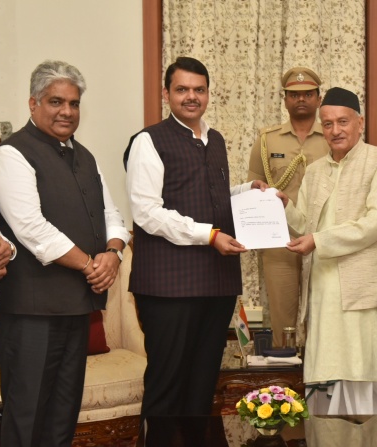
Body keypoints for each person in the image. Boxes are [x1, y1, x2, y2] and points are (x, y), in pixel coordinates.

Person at [0, 60, 130, 446]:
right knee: (27, 415)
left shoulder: (86, 156)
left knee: (62, 416)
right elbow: (32, 229)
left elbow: (112, 215)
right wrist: (90, 264)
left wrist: (114, 254)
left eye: (74, 103)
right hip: (30, 313)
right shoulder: (11, 154)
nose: (66, 111)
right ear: (33, 104)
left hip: (77, 308)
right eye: (56, 102)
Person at [125, 56, 267, 422]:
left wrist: (250, 191)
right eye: (182, 89)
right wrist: (210, 235)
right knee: (166, 384)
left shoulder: (215, 139)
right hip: (168, 287)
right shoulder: (149, 141)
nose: (191, 97)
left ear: (208, 93)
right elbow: (147, 212)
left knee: (203, 387)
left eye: (199, 90)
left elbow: (211, 198)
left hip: (216, 284)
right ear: (166, 93)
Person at [278, 87, 377, 434]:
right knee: (328, 381)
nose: (336, 130)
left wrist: (318, 240)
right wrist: (281, 205)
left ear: (360, 123)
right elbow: (305, 224)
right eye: (329, 123)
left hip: (366, 294)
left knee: (370, 377)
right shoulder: (316, 170)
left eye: (343, 122)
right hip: (323, 294)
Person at [247, 66, 329, 347]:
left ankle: (320, 382)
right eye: (294, 95)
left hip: (322, 240)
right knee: (283, 318)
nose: (301, 99)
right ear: (285, 100)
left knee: (323, 314)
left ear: (319, 98)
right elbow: (253, 186)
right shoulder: (267, 139)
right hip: (278, 241)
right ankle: (285, 384)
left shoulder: (333, 136)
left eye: (308, 94)